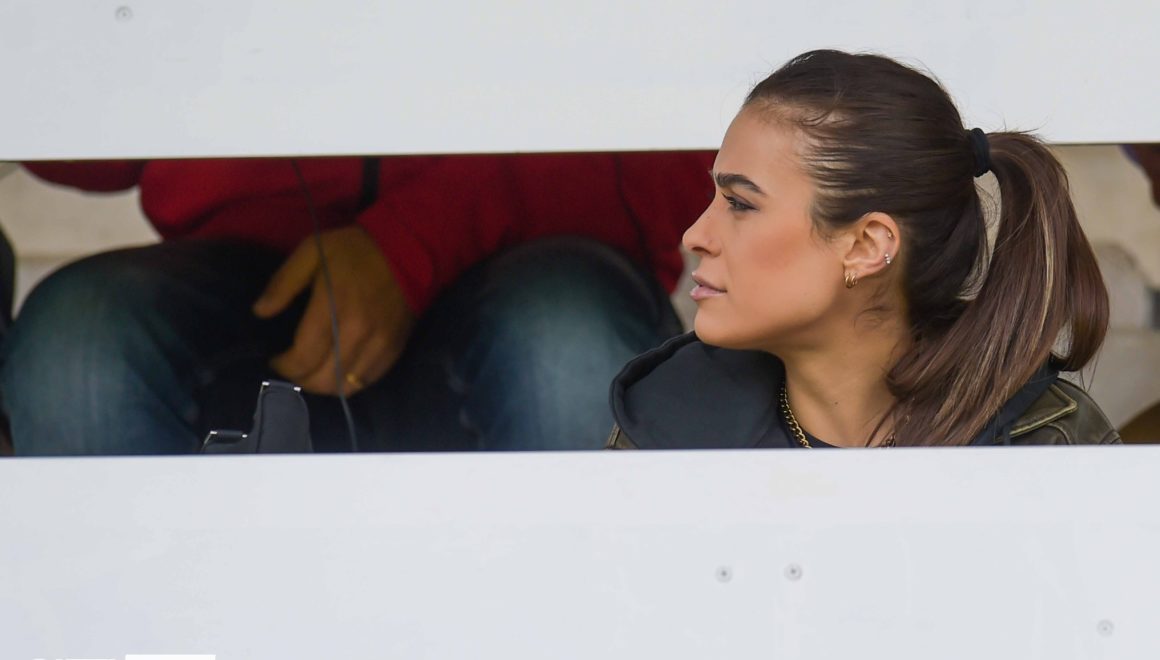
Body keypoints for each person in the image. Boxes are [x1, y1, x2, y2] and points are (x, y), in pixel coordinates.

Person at [1, 152, 712, 455]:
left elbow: (700, 155)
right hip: (244, 273)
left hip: (537, 252)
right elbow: (80, 144)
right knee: (78, 344)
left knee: (564, 339)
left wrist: (409, 245)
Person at [608, 50, 1120, 449]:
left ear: (867, 246)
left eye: (740, 204)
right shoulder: (664, 426)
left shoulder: (1049, 443)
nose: (695, 236)